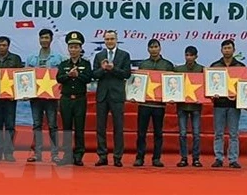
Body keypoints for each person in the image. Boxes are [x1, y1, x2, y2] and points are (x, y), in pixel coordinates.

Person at [93, 30, 131, 167]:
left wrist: (113, 68)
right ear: (104, 40)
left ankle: (117, 157)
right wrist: (103, 69)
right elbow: (94, 75)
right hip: (102, 96)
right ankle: (102, 156)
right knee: (100, 127)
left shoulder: (124, 55)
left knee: (118, 127)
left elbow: (126, 74)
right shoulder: (99, 56)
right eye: (107, 39)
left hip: (117, 95)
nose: (109, 41)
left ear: (116, 40)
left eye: (112, 39)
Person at [133, 39, 174, 167]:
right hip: (144, 104)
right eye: (151, 47)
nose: (154, 49)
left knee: (158, 133)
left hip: (159, 106)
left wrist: (172, 96)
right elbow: (138, 83)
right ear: (148, 49)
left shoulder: (167, 65)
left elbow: (172, 84)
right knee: (141, 132)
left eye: (156, 47)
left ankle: (156, 158)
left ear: (160, 48)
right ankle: (139, 158)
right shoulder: (143, 64)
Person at [26, 29, 63, 163]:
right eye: (42, 38)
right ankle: (37, 153)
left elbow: (62, 77)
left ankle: (55, 154)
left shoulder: (59, 58)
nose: (44, 40)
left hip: (51, 98)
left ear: (51, 39)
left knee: (53, 125)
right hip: (35, 97)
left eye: (47, 38)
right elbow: (25, 79)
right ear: (39, 39)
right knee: (36, 125)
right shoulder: (31, 58)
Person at [56, 31, 92, 166]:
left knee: (79, 127)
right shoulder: (64, 64)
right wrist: (68, 75)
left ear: (81, 48)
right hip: (65, 99)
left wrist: (77, 75)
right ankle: (66, 154)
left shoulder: (86, 64)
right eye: (71, 47)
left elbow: (89, 78)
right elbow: (59, 78)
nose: (73, 50)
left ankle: (78, 155)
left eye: (76, 47)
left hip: (80, 99)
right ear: (68, 48)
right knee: (66, 128)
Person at [210, 39, 245, 168]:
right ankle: (218, 158)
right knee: (218, 133)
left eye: (229, 48)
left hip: (234, 105)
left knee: (233, 134)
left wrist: (239, 95)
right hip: (219, 104)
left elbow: (244, 87)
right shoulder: (214, 66)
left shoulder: (241, 67)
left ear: (234, 50)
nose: (227, 50)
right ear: (221, 50)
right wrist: (211, 93)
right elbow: (209, 85)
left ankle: (233, 159)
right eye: (225, 48)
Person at [174, 46, 204, 167]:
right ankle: (184, 158)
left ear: (196, 56)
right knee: (182, 133)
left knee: (196, 134)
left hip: (196, 106)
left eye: (191, 55)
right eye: (187, 55)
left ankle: (196, 158)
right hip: (182, 106)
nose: (189, 57)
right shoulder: (178, 70)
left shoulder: (202, 70)